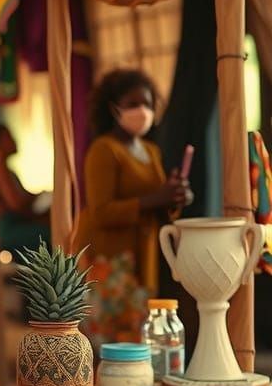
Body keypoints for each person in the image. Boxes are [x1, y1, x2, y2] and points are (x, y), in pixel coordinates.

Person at [75, 69, 192, 297]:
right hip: (110, 258)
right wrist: (158, 198)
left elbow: (157, 204)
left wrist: (174, 198)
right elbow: (101, 212)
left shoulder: (151, 151)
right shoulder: (104, 150)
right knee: (112, 330)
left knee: (139, 324)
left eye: (147, 104)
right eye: (132, 104)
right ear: (113, 108)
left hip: (144, 254)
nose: (142, 111)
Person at [0, 124, 51, 253]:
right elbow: (16, 204)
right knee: (54, 235)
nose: (14, 140)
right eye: (9, 137)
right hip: (7, 229)